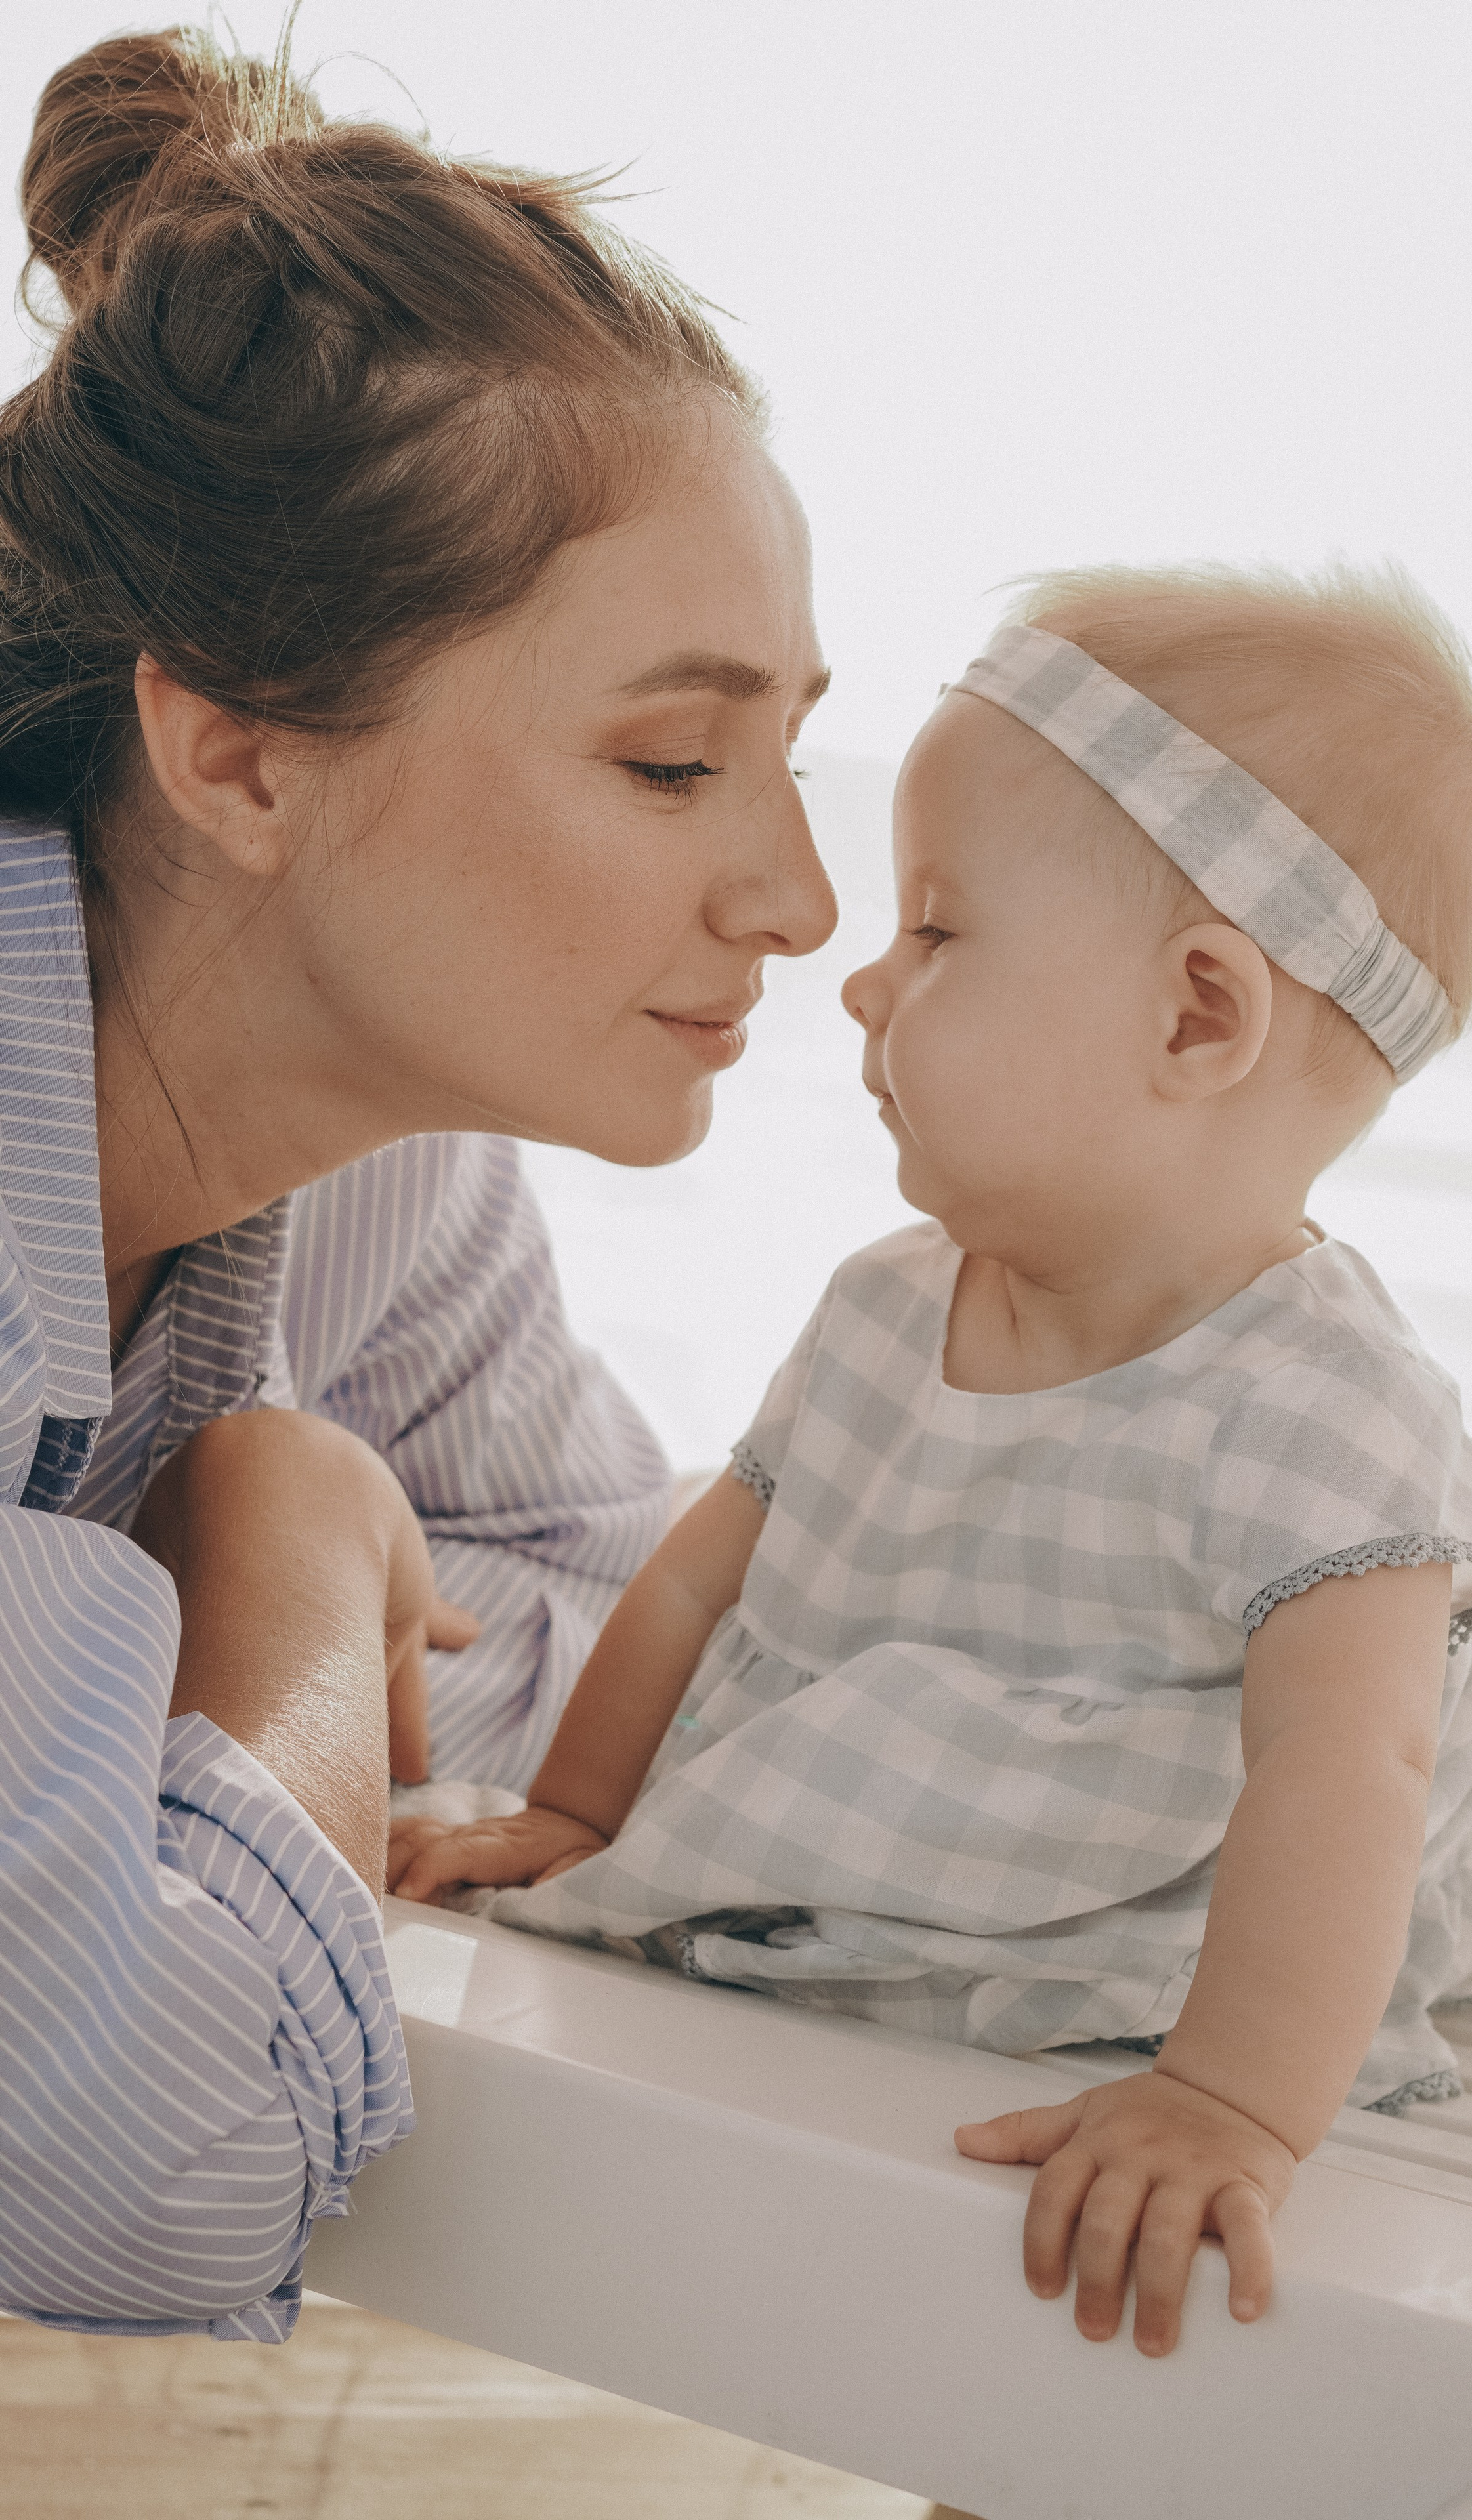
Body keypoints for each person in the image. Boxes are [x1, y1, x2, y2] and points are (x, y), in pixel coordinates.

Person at [389, 561, 1472, 2359]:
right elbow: (699, 1577)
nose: (863, 979)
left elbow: (1357, 1769)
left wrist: (1228, 2097)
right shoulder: (884, 1305)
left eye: (937, 930)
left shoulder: (1327, 1411)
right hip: (1117, 1764)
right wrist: (584, 1818)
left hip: (1422, 1801)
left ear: (1198, 1016)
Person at [0, 26, 833, 2338]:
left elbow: (661, 1654)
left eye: (791, 749)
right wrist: (277, 1543)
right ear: (240, 758)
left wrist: (151, 1728)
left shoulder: (373, 1160)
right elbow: (146, 2175)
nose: (802, 899)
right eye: (671, 763)